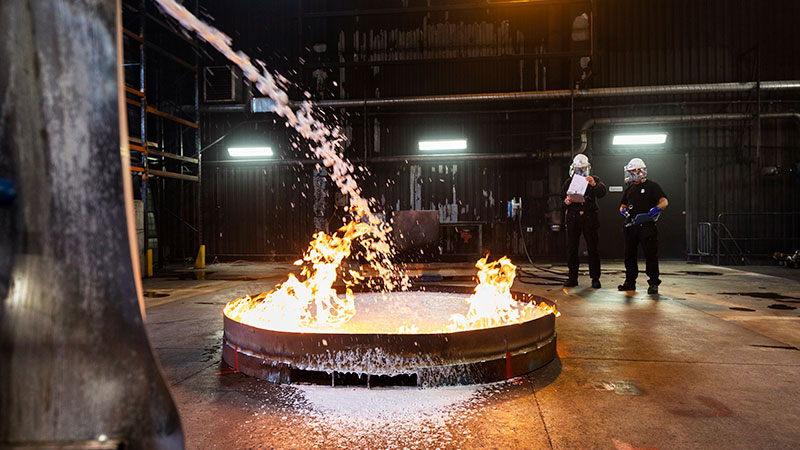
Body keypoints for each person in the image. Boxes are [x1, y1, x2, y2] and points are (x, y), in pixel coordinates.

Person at [618, 158, 668, 294]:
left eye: (633, 171)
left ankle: (653, 283)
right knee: (629, 255)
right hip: (631, 225)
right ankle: (630, 282)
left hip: (646, 225)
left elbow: (664, 202)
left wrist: (656, 210)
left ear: (641, 171)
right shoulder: (630, 189)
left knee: (650, 254)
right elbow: (622, 205)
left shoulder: (652, 186)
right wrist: (623, 211)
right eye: (630, 172)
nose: (631, 174)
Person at [562, 154, 607, 288]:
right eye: (578, 169)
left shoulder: (594, 179)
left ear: (587, 168)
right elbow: (561, 202)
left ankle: (595, 278)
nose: (580, 171)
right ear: (573, 169)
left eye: (583, 168)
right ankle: (572, 277)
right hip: (573, 216)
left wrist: (593, 184)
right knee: (572, 247)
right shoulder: (568, 182)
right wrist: (566, 202)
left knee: (592, 248)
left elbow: (602, 192)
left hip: (589, 216)